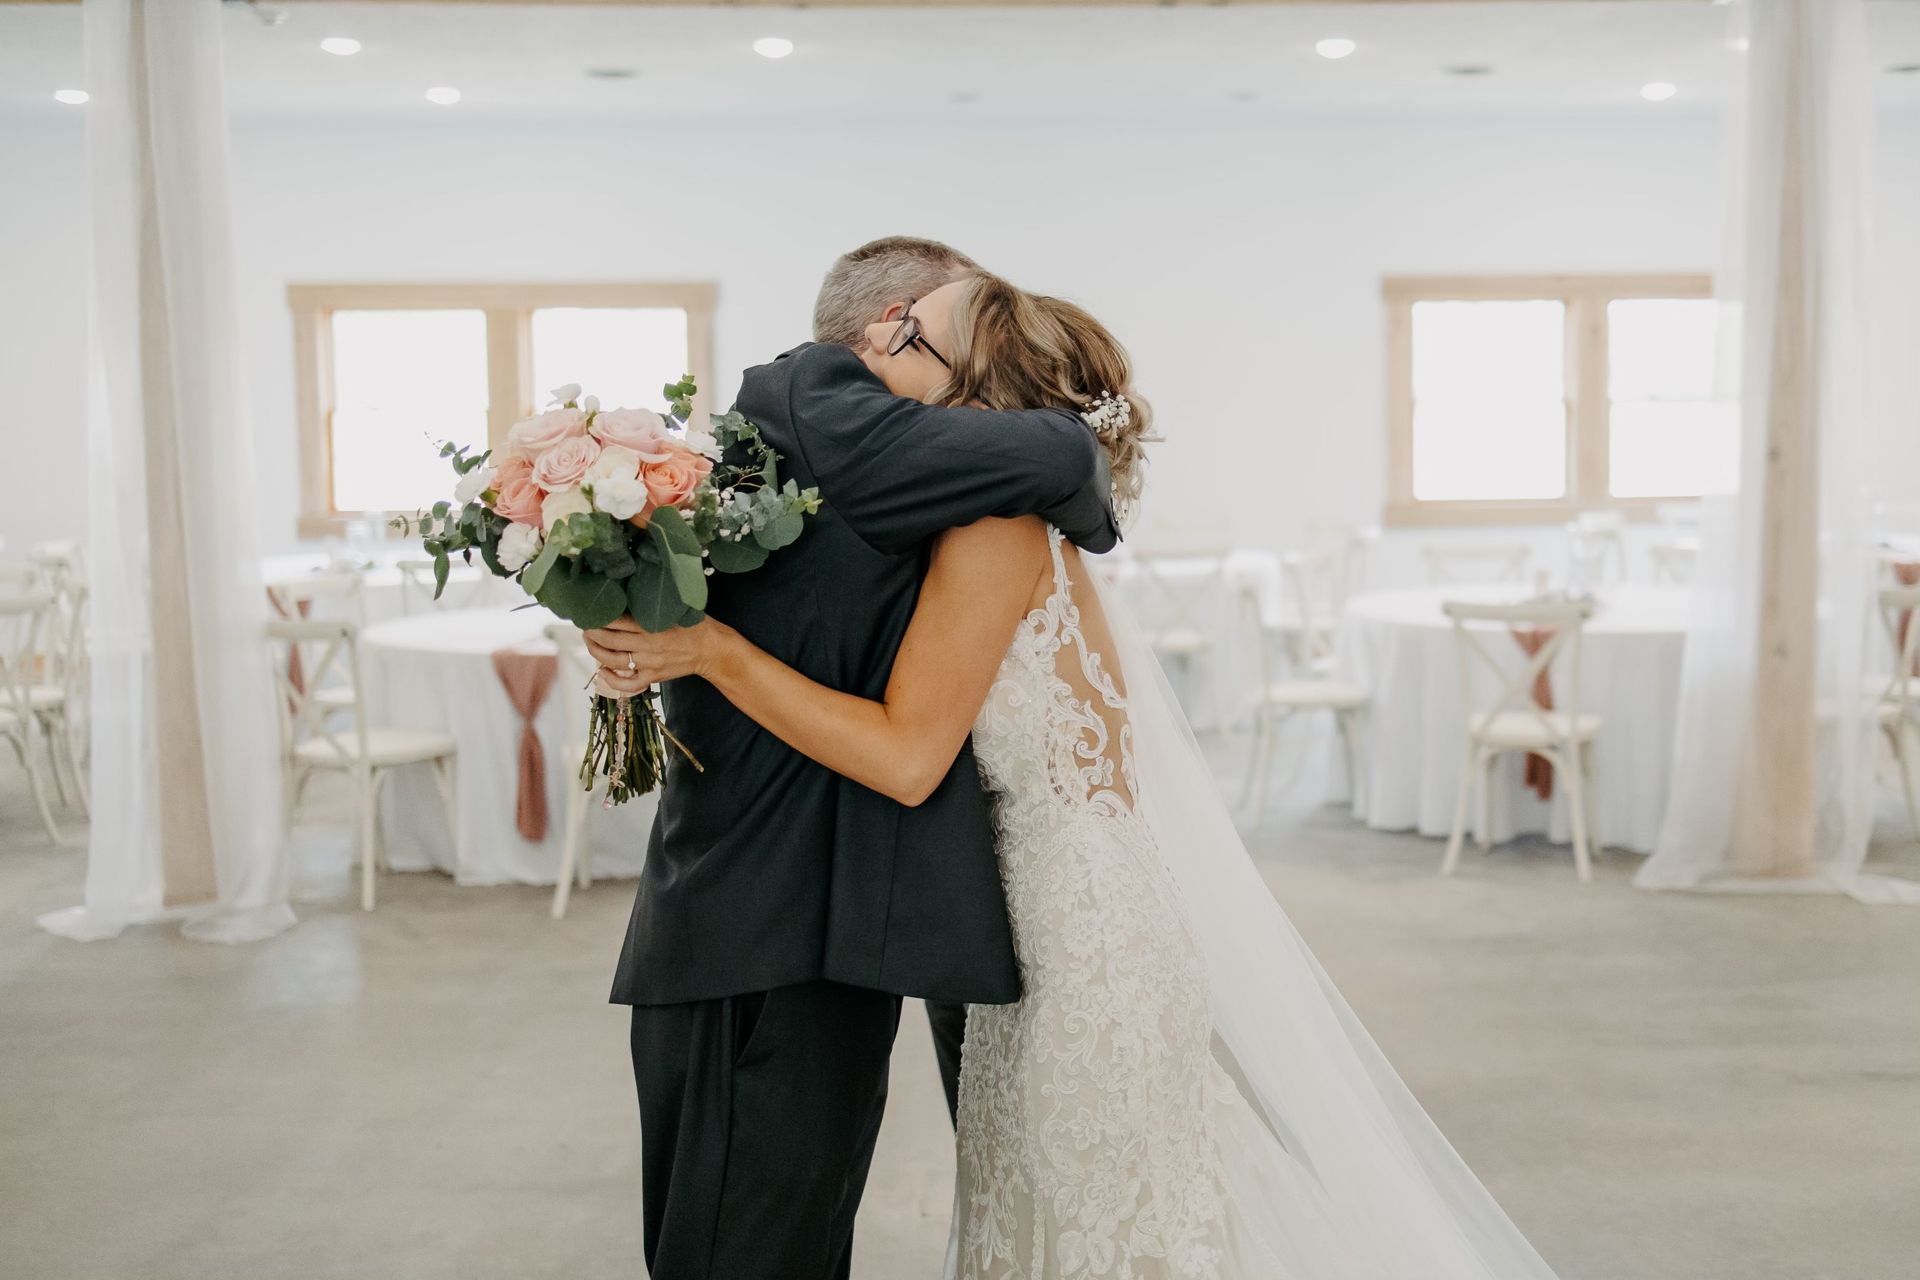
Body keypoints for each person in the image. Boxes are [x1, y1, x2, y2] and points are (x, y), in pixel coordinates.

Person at [591, 273, 1566, 1279]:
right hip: (1066, 912)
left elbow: (907, 753)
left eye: (913, 339)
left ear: (973, 398)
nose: (882, 350)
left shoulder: (993, 527)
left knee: (1106, 1228)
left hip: (1077, 940)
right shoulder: (978, 517)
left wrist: (712, 651)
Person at [601, 238, 1119, 1280]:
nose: (947, 416)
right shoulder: (814, 403)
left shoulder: (899, 481)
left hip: (834, 928)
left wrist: (705, 646)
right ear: (893, 324)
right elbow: (1063, 461)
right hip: (757, 923)